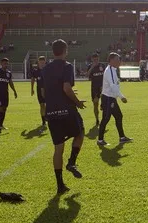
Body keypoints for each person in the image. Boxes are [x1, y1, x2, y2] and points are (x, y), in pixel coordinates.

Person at [42, 40, 85, 194]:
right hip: (66, 110)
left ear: (53, 51)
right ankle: (72, 162)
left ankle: (60, 185)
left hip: (52, 111)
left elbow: (44, 91)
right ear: (65, 50)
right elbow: (66, 88)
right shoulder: (67, 66)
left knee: (58, 149)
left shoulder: (45, 68)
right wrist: (77, 102)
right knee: (80, 133)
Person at [97, 53, 132, 146]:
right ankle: (100, 140)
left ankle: (122, 137)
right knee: (106, 118)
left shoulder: (112, 70)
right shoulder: (110, 71)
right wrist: (121, 97)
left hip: (110, 98)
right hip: (108, 98)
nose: (119, 61)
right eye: (117, 59)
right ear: (111, 60)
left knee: (119, 116)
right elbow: (113, 86)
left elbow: (114, 85)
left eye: (119, 59)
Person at [0, 58, 17, 131]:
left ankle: (1, 125)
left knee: (4, 109)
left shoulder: (8, 73)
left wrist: (14, 91)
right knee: (0, 108)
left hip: (5, 94)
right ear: (1, 63)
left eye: (7, 63)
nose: (6, 65)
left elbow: (10, 82)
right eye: (4, 63)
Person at [87, 53, 105, 126]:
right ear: (92, 59)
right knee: (95, 104)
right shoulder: (90, 66)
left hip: (103, 87)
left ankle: (102, 105)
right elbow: (87, 75)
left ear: (99, 59)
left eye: (97, 59)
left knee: (105, 102)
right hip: (94, 88)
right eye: (94, 60)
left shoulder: (102, 66)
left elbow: (106, 75)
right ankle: (97, 119)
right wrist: (92, 67)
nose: (96, 61)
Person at [30, 56, 47, 128]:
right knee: (42, 105)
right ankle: (43, 121)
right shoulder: (36, 71)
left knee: (49, 105)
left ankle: (48, 117)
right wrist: (32, 89)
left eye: (43, 62)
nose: (42, 64)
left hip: (48, 90)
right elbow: (33, 79)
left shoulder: (48, 70)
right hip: (39, 90)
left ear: (45, 62)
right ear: (38, 62)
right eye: (40, 62)